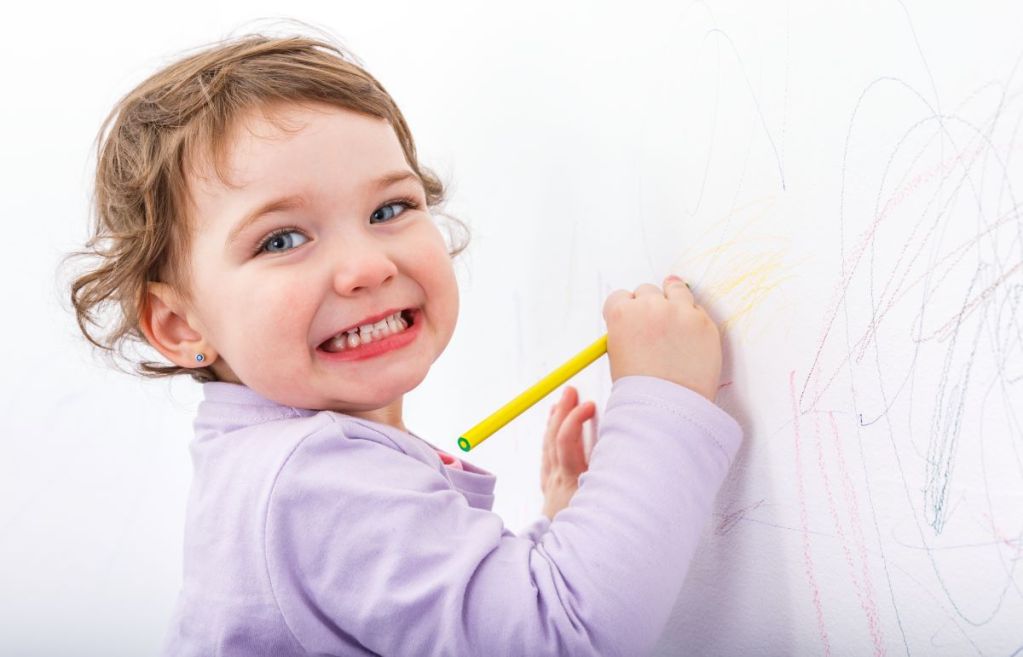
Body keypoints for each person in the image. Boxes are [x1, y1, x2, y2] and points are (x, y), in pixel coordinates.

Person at [65, 29, 743, 657]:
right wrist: (660, 401)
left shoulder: (270, 464)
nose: (368, 266)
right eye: (281, 239)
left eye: (390, 209)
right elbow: (561, 635)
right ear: (182, 325)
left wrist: (563, 536)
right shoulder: (310, 477)